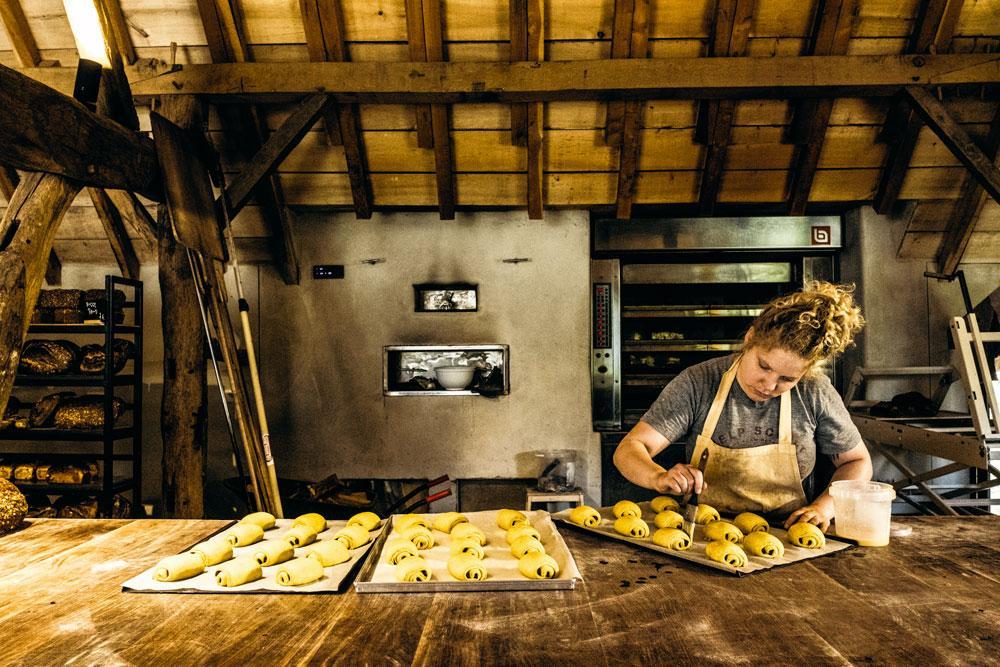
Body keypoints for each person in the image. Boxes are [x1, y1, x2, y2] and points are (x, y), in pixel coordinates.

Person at [613, 281, 872, 531]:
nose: (769, 385)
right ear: (749, 339)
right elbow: (629, 449)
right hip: (704, 534)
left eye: (787, 379)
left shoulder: (814, 392)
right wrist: (658, 477)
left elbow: (857, 461)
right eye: (764, 366)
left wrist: (824, 508)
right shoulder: (699, 382)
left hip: (787, 536)